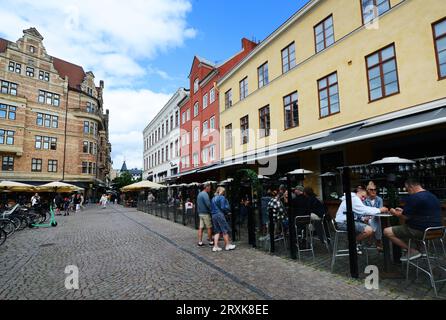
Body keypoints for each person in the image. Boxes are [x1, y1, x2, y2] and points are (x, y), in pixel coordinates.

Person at [384, 179, 443, 262]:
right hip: (437, 231)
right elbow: (420, 213)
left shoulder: (414, 197)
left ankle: (411, 251)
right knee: (409, 227)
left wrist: (395, 212)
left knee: (387, 231)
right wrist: (402, 212)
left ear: (411, 187)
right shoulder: (432, 196)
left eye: (407, 189)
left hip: (421, 231)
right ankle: (421, 249)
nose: (408, 192)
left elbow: (405, 217)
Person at [211, 187, 236, 252]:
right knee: (224, 229)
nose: (224, 192)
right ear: (221, 191)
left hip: (213, 215)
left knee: (217, 231)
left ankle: (215, 246)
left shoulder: (213, 198)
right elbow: (223, 207)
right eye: (223, 191)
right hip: (219, 214)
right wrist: (228, 212)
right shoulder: (221, 197)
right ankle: (227, 245)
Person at [363, 181, 384, 251]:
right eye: (371, 190)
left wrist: (373, 213)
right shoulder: (364, 200)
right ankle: (378, 241)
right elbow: (364, 211)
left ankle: (370, 237)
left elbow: (380, 211)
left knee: (376, 219)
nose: (373, 191)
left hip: (375, 217)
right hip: (366, 218)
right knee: (376, 221)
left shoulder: (379, 199)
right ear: (368, 191)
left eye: (375, 189)